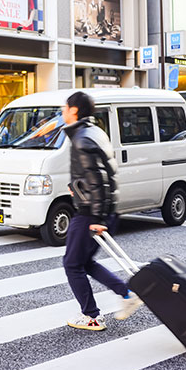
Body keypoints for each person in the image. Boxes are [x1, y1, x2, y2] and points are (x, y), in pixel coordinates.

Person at [61, 91, 142, 331]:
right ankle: (127, 294)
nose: (62, 111)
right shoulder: (93, 132)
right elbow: (99, 175)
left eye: (65, 107)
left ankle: (92, 316)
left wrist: (96, 217)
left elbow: (98, 180)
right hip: (100, 210)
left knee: (72, 264)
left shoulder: (81, 138)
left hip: (90, 213)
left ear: (74, 110)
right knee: (83, 262)